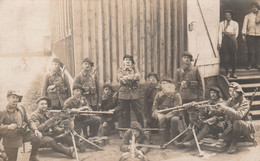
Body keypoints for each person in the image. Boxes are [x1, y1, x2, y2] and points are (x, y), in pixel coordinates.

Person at [211, 82, 256, 153]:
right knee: (224, 139)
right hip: (232, 126)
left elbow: (239, 115)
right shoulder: (231, 100)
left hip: (245, 126)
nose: (231, 93)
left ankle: (234, 144)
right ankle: (247, 138)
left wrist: (225, 107)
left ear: (239, 91)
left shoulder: (245, 102)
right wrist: (212, 109)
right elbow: (223, 108)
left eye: (233, 91)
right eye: (230, 91)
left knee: (237, 122)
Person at [0, 90, 42, 161]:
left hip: (22, 134)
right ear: (8, 98)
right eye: (13, 97)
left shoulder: (21, 108)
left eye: (17, 98)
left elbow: (29, 121)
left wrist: (35, 130)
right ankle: (2, 154)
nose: (15, 100)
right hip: (11, 139)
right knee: (11, 159)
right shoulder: (2, 111)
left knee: (37, 136)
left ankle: (33, 157)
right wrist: (8, 127)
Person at [175, 51, 205, 125]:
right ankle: (188, 132)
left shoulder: (195, 70)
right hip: (183, 97)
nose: (186, 59)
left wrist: (201, 97)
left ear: (191, 59)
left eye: (188, 58)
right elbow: (176, 85)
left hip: (193, 97)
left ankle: (195, 132)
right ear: (182, 59)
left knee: (195, 116)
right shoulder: (179, 71)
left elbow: (201, 85)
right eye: (184, 57)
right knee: (185, 116)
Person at [152, 78, 182, 143]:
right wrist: (158, 114)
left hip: (174, 114)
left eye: (166, 83)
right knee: (165, 139)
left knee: (174, 119)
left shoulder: (176, 95)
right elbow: (154, 107)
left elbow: (177, 108)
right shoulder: (158, 95)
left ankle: (174, 137)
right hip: (162, 114)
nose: (164, 85)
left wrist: (166, 116)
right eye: (163, 83)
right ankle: (165, 136)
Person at [117, 55, 144, 128]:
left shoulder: (135, 69)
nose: (128, 61)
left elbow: (138, 77)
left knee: (138, 111)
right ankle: (125, 129)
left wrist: (126, 78)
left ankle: (141, 128)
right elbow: (121, 81)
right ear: (123, 61)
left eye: (129, 60)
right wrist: (132, 78)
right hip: (124, 94)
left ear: (132, 62)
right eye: (126, 59)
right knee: (125, 113)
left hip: (134, 93)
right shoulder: (120, 70)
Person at [218, 9, 239, 78]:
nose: (227, 16)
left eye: (229, 15)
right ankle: (227, 72)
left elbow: (236, 34)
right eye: (226, 15)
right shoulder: (221, 23)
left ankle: (234, 72)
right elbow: (220, 34)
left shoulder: (235, 23)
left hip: (233, 40)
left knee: (234, 57)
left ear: (231, 15)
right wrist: (219, 43)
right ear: (224, 16)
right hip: (225, 41)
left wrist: (227, 33)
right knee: (225, 57)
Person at [242, 2, 260, 70]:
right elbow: (244, 25)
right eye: (253, 7)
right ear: (251, 8)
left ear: (258, 8)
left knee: (258, 50)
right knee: (250, 51)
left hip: (259, 35)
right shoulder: (248, 16)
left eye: (256, 7)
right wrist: (243, 34)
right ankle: (249, 64)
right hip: (250, 35)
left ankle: (257, 64)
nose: (254, 8)